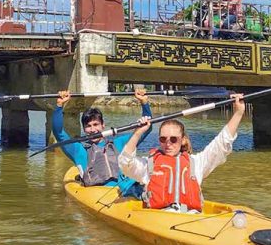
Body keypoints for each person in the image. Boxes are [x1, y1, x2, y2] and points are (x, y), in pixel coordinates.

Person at [118, 94, 246, 212]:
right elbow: (125, 164)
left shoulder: (196, 163)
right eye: (163, 139)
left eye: (173, 139)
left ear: (183, 140)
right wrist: (138, 133)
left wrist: (238, 113)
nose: (168, 143)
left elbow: (221, 144)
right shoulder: (149, 164)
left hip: (190, 217)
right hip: (160, 217)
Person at [53, 89, 153, 198]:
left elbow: (146, 129)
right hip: (98, 194)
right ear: (84, 129)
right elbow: (58, 133)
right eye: (88, 126)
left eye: (96, 124)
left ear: (103, 125)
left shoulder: (119, 143)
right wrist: (59, 105)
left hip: (127, 189)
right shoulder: (78, 150)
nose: (93, 129)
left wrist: (144, 103)